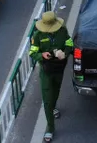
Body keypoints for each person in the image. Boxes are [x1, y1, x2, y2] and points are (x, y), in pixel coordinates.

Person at [29, 11, 72, 143]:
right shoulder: (37, 35)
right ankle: (50, 128)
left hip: (59, 68)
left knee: (56, 91)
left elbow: (69, 43)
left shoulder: (63, 31)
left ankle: (53, 108)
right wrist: (41, 55)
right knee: (47, 98)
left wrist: (64, 53)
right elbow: (32, 52)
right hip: (46, 71)